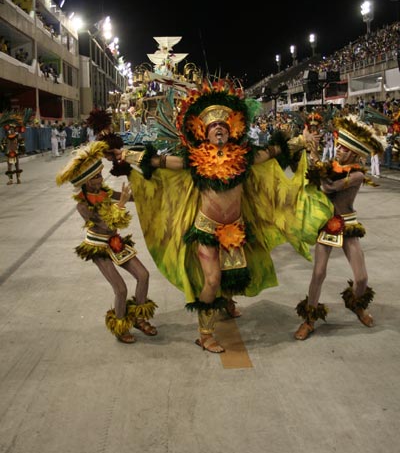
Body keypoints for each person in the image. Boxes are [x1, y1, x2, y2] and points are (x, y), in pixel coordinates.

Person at [113, 79, 333, 353]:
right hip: (206, 229)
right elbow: (161, 162)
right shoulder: (194, 159)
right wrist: (126, 155)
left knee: (232, 275)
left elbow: (275, 151)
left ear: (231, 130)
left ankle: (227, 305)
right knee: (213, 280)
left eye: (223, 125)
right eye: (213, 126)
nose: (219, 129)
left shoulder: (244, 156)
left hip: (236, 228)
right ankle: (205, 334)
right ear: (204, 131)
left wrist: (302, 140)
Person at [56, 141, 157, 344]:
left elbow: (131, 197)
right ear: (84, 181)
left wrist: (147, 189)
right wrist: (120, 205)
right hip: (98, 247)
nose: (100, 179)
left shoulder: (105, 192)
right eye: (94, 177)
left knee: (143, 275)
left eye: (100, 175)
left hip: (115, 242)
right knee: (120, 289)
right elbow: (103, 225)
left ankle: (139, 318)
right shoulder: (82, 205)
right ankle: (120, 326)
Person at [294, 117, 383, 340]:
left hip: (349, 224)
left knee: (361, 278)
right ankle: (310, 319)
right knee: (319, 272)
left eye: (344, 148)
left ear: (354, 153)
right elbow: (322, 179)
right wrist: (312, 155)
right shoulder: (331, 166)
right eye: (339, 146)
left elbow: (329, 186)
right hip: (328, 224)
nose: (339, 150)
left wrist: (315, 159)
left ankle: (356, 304)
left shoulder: (357, 174)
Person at [0, 113, 27, 184]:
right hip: (9, 152)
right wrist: (2, 147)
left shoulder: (18, 136)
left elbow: (21, 143)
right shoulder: (6, 137)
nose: (11, 130)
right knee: (9, 167)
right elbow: (3, 144)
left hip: (16, 152)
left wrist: (22, 148)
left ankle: (18, 179)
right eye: (10, 128)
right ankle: (10, 180)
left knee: (17, 165)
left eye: (13, 128)